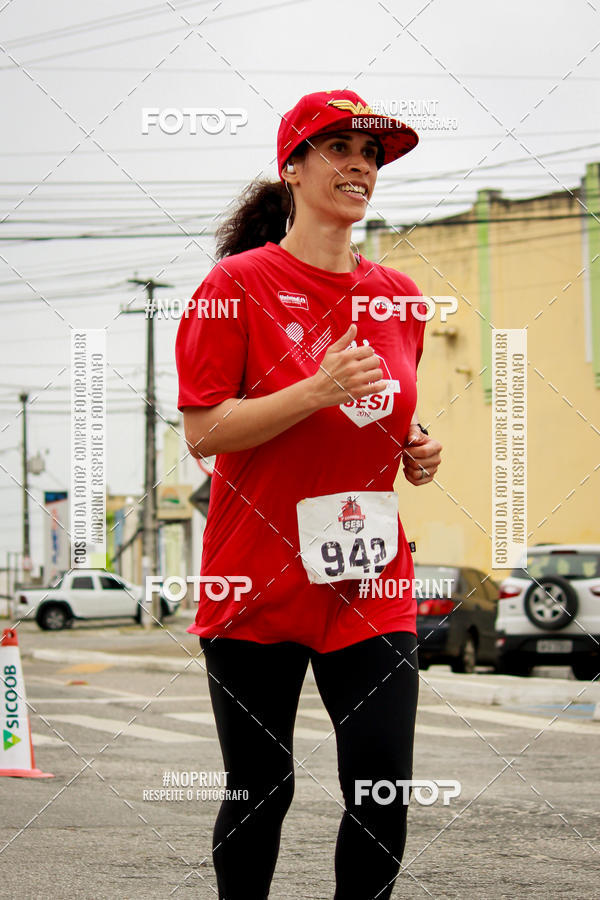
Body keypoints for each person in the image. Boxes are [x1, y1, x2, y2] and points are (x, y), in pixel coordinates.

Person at [175, 88, 443, 900]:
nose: (360, 166)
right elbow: (205, 433)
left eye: (371, 155)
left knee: (381, 789)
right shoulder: (234, 286)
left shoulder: (401, 297)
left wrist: (414, 445)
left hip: (368, 579)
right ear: (292, 167)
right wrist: (316, 389)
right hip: (258, 576)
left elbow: (384, 406)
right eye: (339, 149)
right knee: (261, 790)